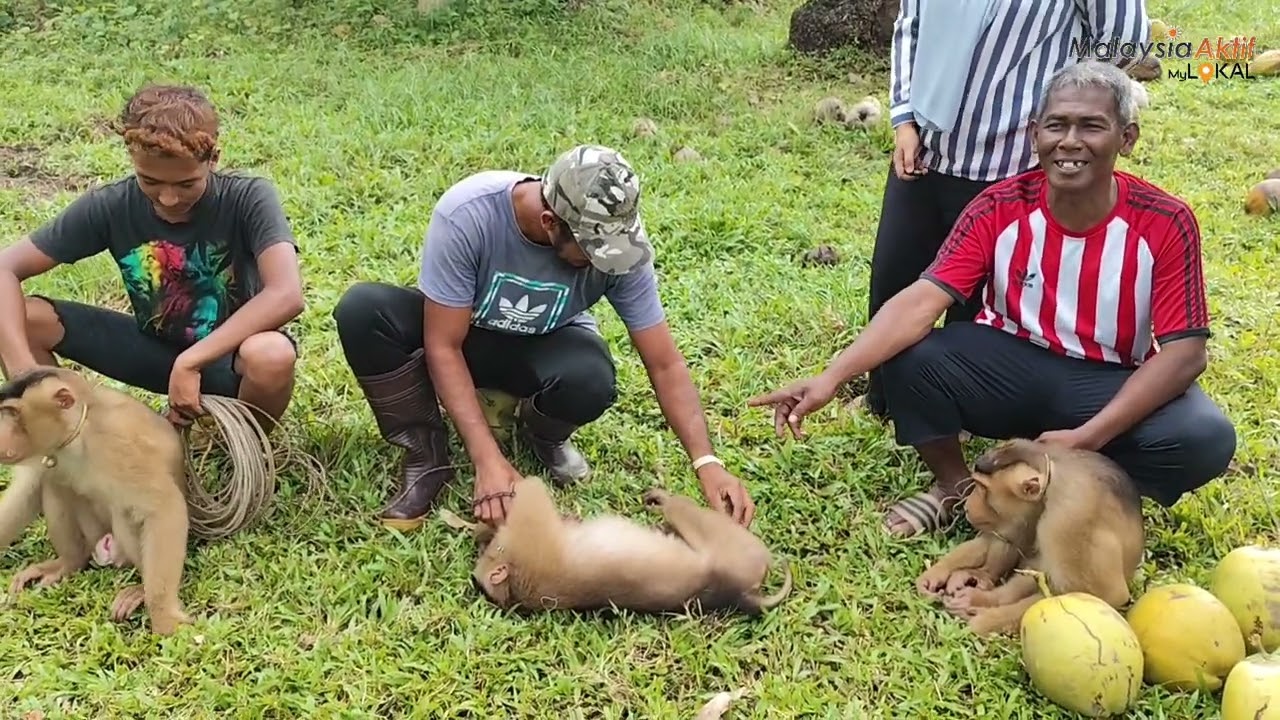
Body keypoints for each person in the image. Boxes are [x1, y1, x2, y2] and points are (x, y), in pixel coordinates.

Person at [749, 61, 1236, 538]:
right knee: (909, 357)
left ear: (1126, 138)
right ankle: (958, 489)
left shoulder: (1165, 220)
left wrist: (1088, 437)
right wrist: (832, 377)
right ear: (1033, 135)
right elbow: (921, 300)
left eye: (1091, 126)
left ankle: (1085, 492)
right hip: (1006, 367)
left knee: (1204, 437)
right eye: (1056, 125)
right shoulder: (1000, 206)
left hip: (1106, 380)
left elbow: (1184, 353)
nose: (1070, 142)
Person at [333, 144, 755, 531]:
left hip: (545, 343)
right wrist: (487, 462)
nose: (603, 264)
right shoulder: (469, 214)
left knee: (590, 378)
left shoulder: (620, 247)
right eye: (592, 253)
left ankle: (542, 436)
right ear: (551, 222)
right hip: (463, 336)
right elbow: (443, 345)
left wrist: (707, 462)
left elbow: (665, 363)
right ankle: (427, 455)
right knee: (363, 311)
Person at [861, 0, 1150, 444]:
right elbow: (910, 25)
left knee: (980, 305)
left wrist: (1058, 118)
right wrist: (903, 118)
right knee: (894, 278)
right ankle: (884, 398)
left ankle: (961, 414)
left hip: (1014, 161)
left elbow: (1124, 41)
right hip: (925, 149)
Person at [0, 84, 304, 430]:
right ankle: (65, 438)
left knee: (272, 354)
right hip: (152, 349)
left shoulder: (248, 197)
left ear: (214, 158)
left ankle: (241, 439)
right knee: (23, 318)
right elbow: (4, 268)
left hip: (230, 361)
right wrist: (25, 375)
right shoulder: (111, 205)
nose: (169, 199)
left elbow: (286, 294)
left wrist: (191, 362)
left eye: (187, 184)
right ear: (132, 160)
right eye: (150, 181)